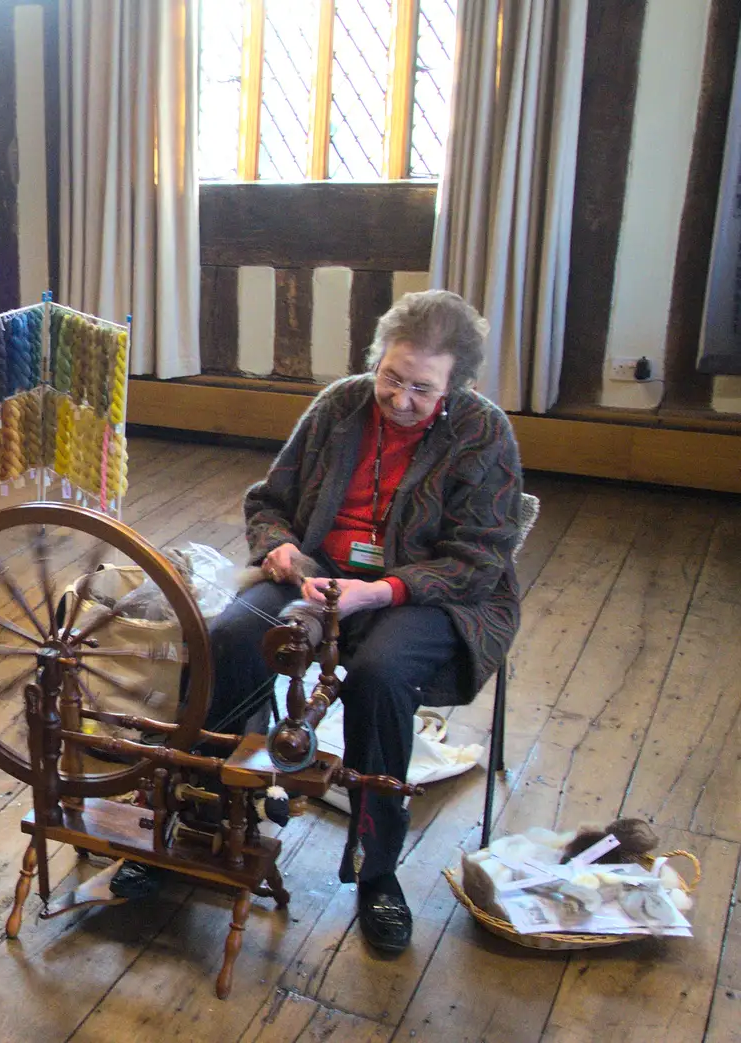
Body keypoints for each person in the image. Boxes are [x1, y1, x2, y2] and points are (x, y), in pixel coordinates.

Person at [209, 289, 522, 956]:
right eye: (391, 377)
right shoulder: (340, 405)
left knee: (379, 676)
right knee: (231, 637)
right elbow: (270, 499)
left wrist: (377, 591)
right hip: (319, 573)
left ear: (456, 386)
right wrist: (283, 551)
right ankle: (206, 809)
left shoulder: (483, 430)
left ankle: (377, 870)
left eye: (421, 388)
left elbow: (480, 557)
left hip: (427, 592)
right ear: (377, 359)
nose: (401, 398)